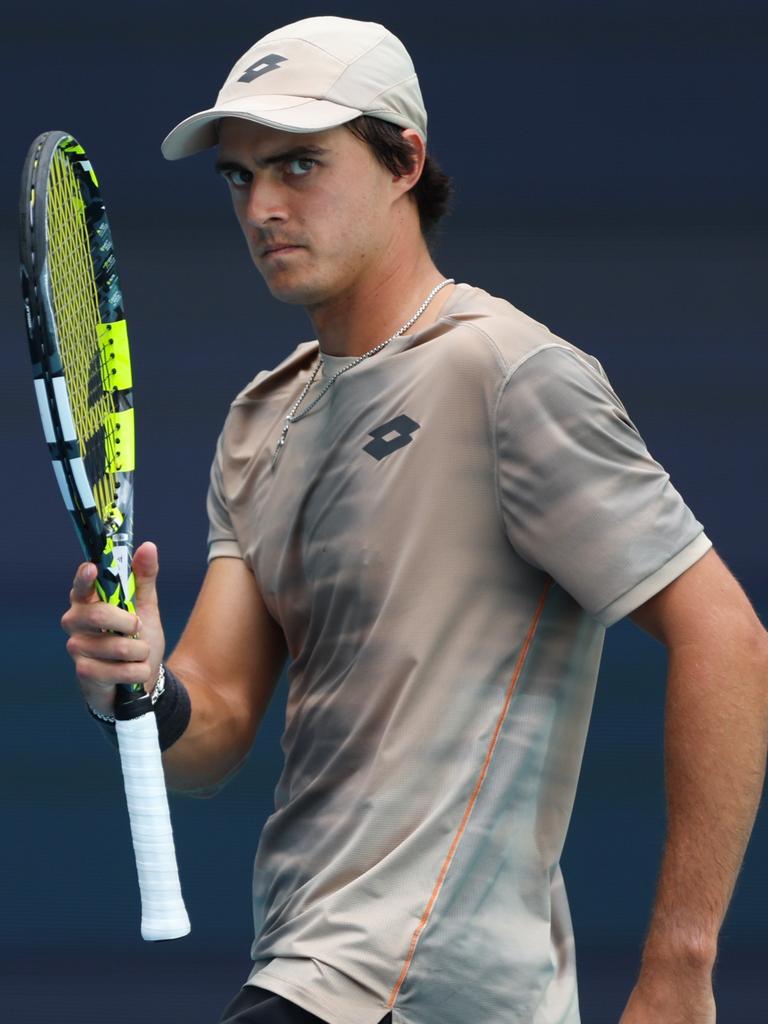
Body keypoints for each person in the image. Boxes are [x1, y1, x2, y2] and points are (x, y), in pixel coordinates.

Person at [60, 15, 767, 1024]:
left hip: (419, 985)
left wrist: (680, 966)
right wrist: (136, 687)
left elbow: (728, 639)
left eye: (298, 165)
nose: (262, 206)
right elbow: (211, 728)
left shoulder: (505, 371)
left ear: (404, 161)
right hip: (309, 960)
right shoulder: (262, 419)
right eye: (239, 177)